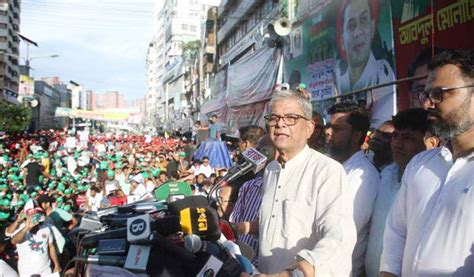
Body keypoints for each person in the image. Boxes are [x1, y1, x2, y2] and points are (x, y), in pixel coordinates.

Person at [381, 49, 474, 276]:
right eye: (426, 95)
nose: (428, 104)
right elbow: (396, 232)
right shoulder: (420, 164)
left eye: (440, 94)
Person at [256, 89, 356, 276]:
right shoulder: (271, 170)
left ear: (309, 128)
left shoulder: (327, 171)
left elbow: (338, 238)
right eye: (274, 117)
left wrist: (296, 272)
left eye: (291, 118)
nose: (280, 124)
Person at [365, 108, 438, 277]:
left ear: (431, 144)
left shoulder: (437, 186)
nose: (397, 143)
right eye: (396, 136)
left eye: (408, 138)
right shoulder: (384, 175)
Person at [325, 102, 380, 276]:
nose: (328, 132)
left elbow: (343, 230)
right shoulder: (331, 167)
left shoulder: (363, 176)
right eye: (328, 127)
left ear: (356, 136)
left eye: (337, 129)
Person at [336, 0, 395, 128]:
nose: (358, 32)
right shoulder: (339, 79)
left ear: (372, 28)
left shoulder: (383, 75)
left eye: (363, 20)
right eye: (351, 25)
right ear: (341, 40)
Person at [8, 208, 62, 276]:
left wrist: (56, 264)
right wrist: (26, 228)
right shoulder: (19, 229)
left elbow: (51, 247)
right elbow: (14, 241)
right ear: (26, 219)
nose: (36, 222)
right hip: (26, 271)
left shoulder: (46, 228)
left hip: (45, 270)